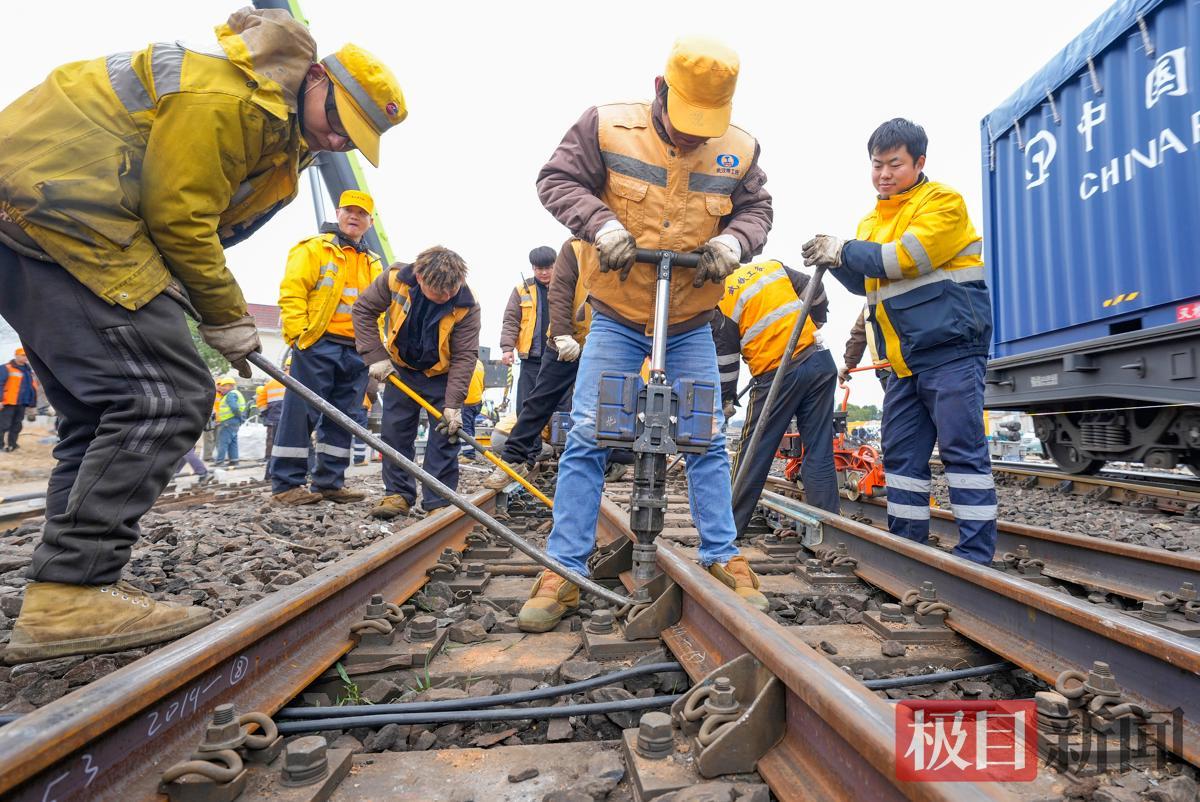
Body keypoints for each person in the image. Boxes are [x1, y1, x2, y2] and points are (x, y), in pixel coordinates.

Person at [0, 7, 407, 664]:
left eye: (353, 141)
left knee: (101, 407)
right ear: (318, 82)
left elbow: (199, 221)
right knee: (171, 394)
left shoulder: (273, 127)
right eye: (340, 123)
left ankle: (68, 586)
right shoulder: (228, 99)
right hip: (63, 209)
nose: (339, 143)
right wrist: (226, 316)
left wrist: (209, 308)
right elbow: (179, 215)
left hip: (46, 211)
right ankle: (72, 590)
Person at [519, 36, 773, 632]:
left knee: (707, 438)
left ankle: (722, 555)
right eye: (685, 123)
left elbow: (757, 211)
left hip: (688, 323)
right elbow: (556, 180)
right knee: (588, 436)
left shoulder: (740, 148)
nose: (692, 138)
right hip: (618, 315)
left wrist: (734, 241)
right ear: (661, 91)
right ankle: (564, 569)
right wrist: (599, 223)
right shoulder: (607, 126)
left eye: (704, 127)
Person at [802, 118, 996, 564]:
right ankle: (909, 550)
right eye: (877, 165)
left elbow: (905, 258)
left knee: (962, 455)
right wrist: (835, 261)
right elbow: (866, 282)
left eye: (895, 164)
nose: (884, 174)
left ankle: (976, 560)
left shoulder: (943, 203)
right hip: (903, 363)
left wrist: (845, 249)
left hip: (951, 352)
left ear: (919, 162)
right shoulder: (872, 220)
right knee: (903, 462)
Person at [271, 190, 383, 505]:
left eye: (361, 213)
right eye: (349, 211)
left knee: (344, 417)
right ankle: (286, 485)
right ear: (338, 213)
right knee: (300, 412)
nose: (354, 217)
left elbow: (378, 310)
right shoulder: (315, 249)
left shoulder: (374, 263)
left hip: (356, 351)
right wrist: (299, 335)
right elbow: (293, 291)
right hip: (319, 344)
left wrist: (375, 350)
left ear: (370, 222)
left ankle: (329, 482)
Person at [352, 247, 481, 519]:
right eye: (440, 292)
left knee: (446, 435)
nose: (447, 297)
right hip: (401, 370)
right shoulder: (395, 278)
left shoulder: (467, 305)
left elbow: (465, 355)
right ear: (420, 278)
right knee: (395, 432)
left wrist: (453, 404)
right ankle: (397, 494)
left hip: (442, 375)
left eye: (452, 290)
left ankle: (440, 499)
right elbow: (363, 310)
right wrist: (375, 356)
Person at [714, 261, 839, 529]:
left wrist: (726, 399)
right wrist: (815, 321)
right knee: (818, 449)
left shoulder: (721, 296)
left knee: (754, 449)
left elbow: (726, 360)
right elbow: (814, 288)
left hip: (778, 373)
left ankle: (730, 526)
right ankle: (829, 528)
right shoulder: (772, 267)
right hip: (819, 360)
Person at [500, 247, 557, 415]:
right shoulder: (521, 290)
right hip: (531, 359)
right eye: (540, 268)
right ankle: (530, 442)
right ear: (533, 267)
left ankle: (558, 442)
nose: (544, 272)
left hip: (559, 359)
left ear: (556, 265)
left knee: (561, 407)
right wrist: (507, 348)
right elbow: (511, 320)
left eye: (548, 268)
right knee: (527, 406)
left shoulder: (566, 286)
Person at [841, 306, 893, 388]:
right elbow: (858, 335)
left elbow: (858, 335)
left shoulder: (869, 301)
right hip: (886, 369)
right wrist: (849, 364)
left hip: (893, 367)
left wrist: (849, 363)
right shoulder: (868, 304)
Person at [1, 348, 37, 452]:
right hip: (8, 402)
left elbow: (32, 387)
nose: (25, 357)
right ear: (16, 355)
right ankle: (0, 446)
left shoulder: (28, 370)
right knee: (3, 425)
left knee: (17, 425)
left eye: (26, 356)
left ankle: (12, 445)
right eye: (22, 355)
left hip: (22, 402)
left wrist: (32, 403)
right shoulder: (6, 368)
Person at [257, 364, 287, 478]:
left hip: (274, 419)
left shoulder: (271, 383)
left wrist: (267, 414)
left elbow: (260, 401)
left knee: (275, 447)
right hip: (289, 419)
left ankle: (269, 474)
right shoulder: (296, 380)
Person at [212, 377, 247, 466]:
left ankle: (219, 462)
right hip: (234, 421)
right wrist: (240, 419)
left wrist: (239, 418)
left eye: (224, 386)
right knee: (233, 441)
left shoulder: (230, 395)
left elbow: (234, 408)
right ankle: (234, 460)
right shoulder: (235, 393)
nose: (222, 388)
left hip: (229, 421)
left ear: (231, 386)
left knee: (222, 441)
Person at [459, 360, 486, 463]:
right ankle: (470, 452)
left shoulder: (463, 362)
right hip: (477, 401)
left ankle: (468, 455)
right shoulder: (479, 363)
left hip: (467, 401)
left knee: (465, 429)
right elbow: (483, 384)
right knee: (470, 428)